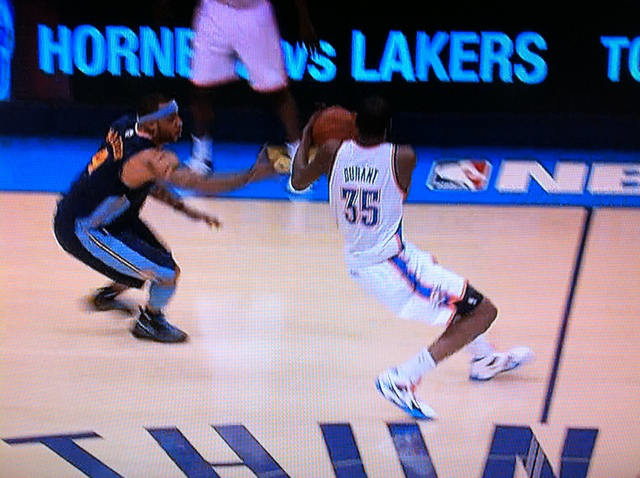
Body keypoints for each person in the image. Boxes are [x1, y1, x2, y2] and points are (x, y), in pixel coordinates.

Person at [290, 96, 533, 419]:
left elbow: (297, 181)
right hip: (388, 267)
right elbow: (393, 181)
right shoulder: (403, 156)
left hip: (385, 257)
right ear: (388, 127)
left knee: (451, 294)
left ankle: (483, 358)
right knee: (483, 311)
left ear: (355, 124)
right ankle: (402, 378)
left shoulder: (331, 152)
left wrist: (308, 134)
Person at [53, 93, 274, 343]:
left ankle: (107, 296)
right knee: (166, 272)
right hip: (83, 228)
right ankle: (149, 321)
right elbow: (200, 183)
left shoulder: (125, 125)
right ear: (151, 125)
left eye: (177, 116)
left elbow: (147, 182)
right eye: (171, 119)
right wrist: (251, 175)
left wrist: (184, 209)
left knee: (155, 257)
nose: (180, 123)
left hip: (105, 217)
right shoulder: (150, 158)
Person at [186, 0, 317, 176]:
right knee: (200, 87)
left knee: (277, 90)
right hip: (214, 10)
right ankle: (201, 155)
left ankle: (298, 158)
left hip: (255, 12)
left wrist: (304, 19)